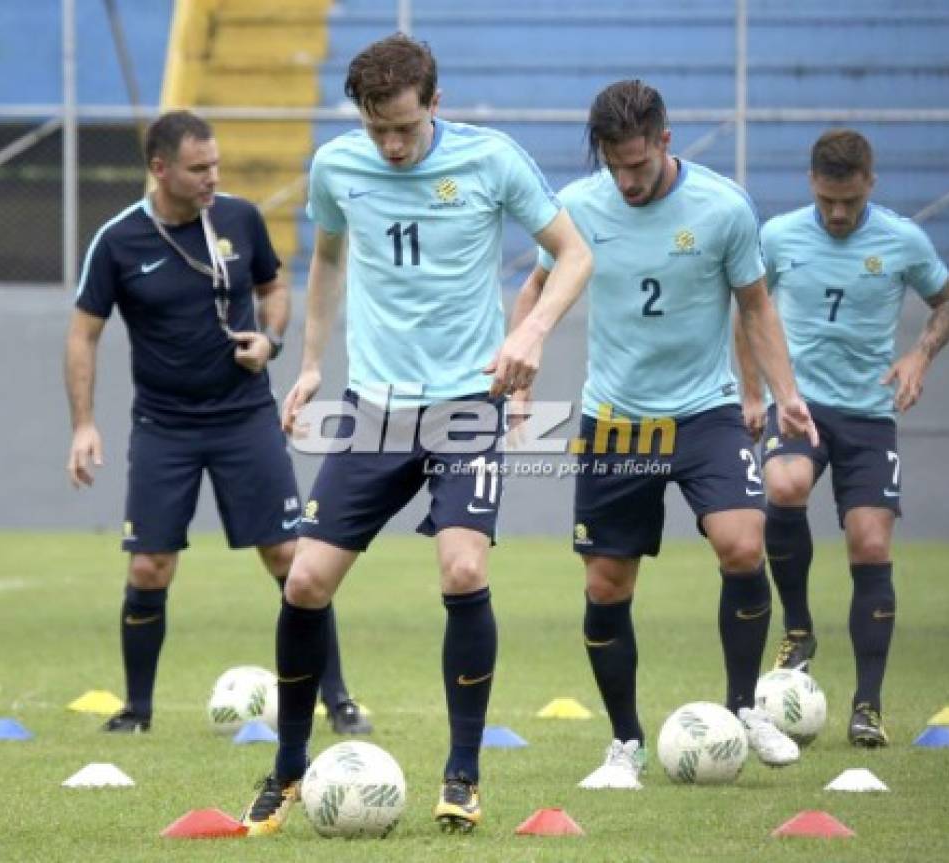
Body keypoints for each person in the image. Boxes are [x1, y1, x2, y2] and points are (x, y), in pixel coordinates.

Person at [237, 34, 592, 836]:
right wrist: (312, 363)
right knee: (304, 582)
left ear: (435, 102)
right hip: (374, 407)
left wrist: (531, 331)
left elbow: (575, 255)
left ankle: (462, 774)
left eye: (403, 127)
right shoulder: (337, 167)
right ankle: (287, 769)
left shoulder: (492, 160)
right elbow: (328, 260)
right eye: (377, 130)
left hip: (468, 401)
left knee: (463, 569)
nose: (391, 146)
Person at [509, 80, 818, 791]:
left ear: (665, 142)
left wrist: (786, 394)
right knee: (605, 583)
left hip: (705, 412)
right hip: (617, 420)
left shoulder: (723, 207)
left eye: (638, 164)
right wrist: (521, 372)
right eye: (613, 165)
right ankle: (625, 743)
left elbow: (755, 306)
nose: (626, 180)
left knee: (743, 543)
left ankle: (744, 709)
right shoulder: (578, 207)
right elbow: (536, 288)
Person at [64, 110, 371, 737]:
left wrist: (270, 340)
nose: (213, 177)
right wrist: (84, 423)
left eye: (216, 165)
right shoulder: (119, 240)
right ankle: (137, 710)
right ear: (160, 169)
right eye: (198, 168)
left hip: (244, 419)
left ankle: (337, 699)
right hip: (163, 426)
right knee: (149, 567)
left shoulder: (240, 218)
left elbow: (274, 289)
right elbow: (82, 334)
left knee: (291, 559)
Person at [746, 128, 949, 747]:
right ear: (811, 184)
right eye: (827, 201)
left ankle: (868, 705)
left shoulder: (902, 239)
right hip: (800, 403)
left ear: (870, 183)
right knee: (784, 484)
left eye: (849, 201)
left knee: (870, 543)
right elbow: (748, 308)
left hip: (869, 415)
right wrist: (756, 393)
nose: (838, 214)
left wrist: (920, 354)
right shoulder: (779, 236)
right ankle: (798, 628)